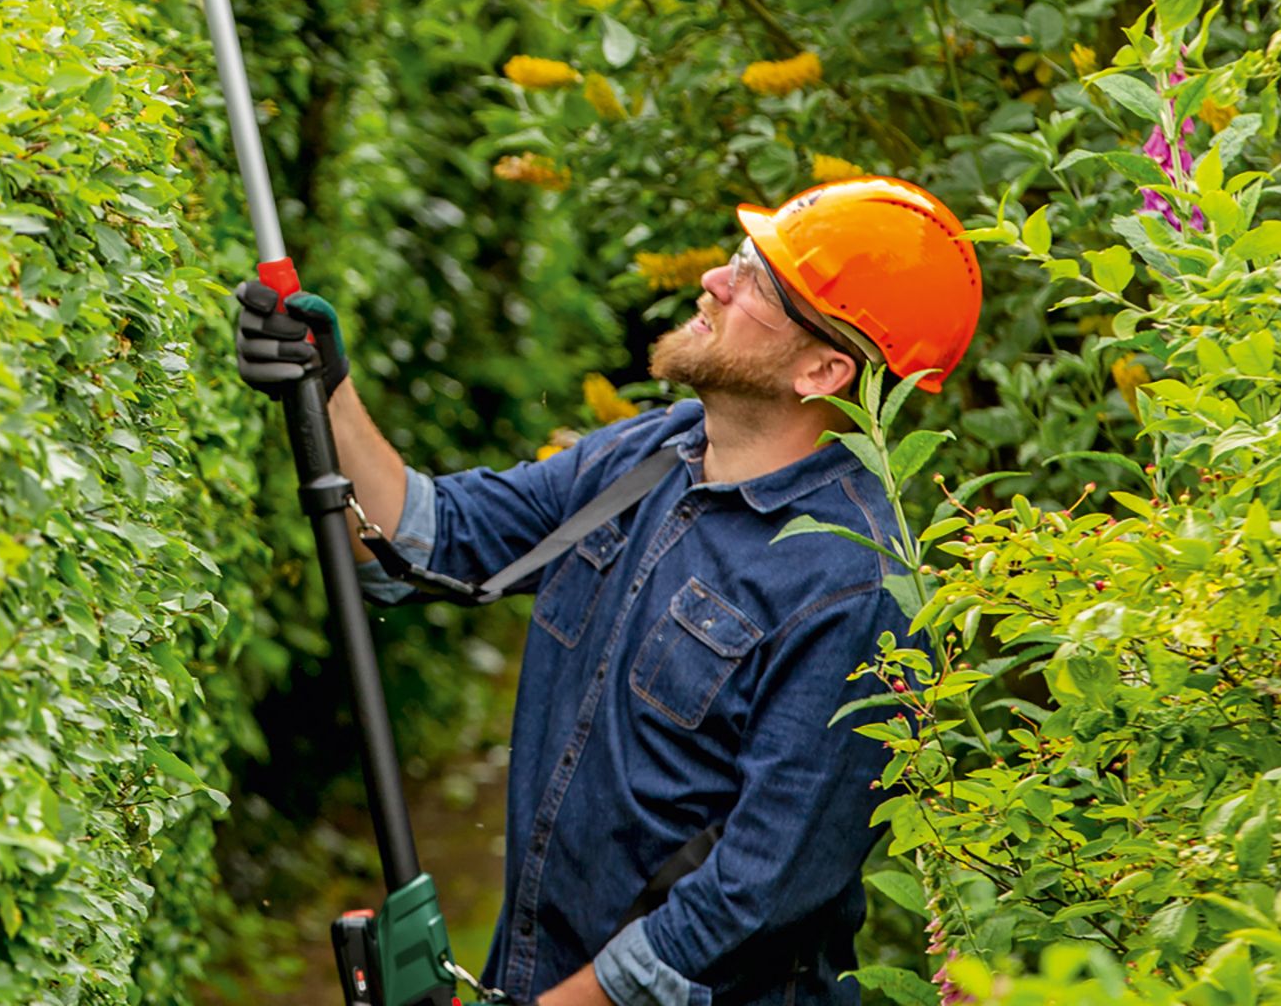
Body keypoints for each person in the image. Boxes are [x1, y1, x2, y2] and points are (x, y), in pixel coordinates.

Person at [235, 176, 981, 1006]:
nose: (715, 282)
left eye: (755, 284)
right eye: (738, 259)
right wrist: (324, 388)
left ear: (823, 368)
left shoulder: (858, 585)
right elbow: (427, 539)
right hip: (535, 974)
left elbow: (757, 895)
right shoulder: (651, 455)